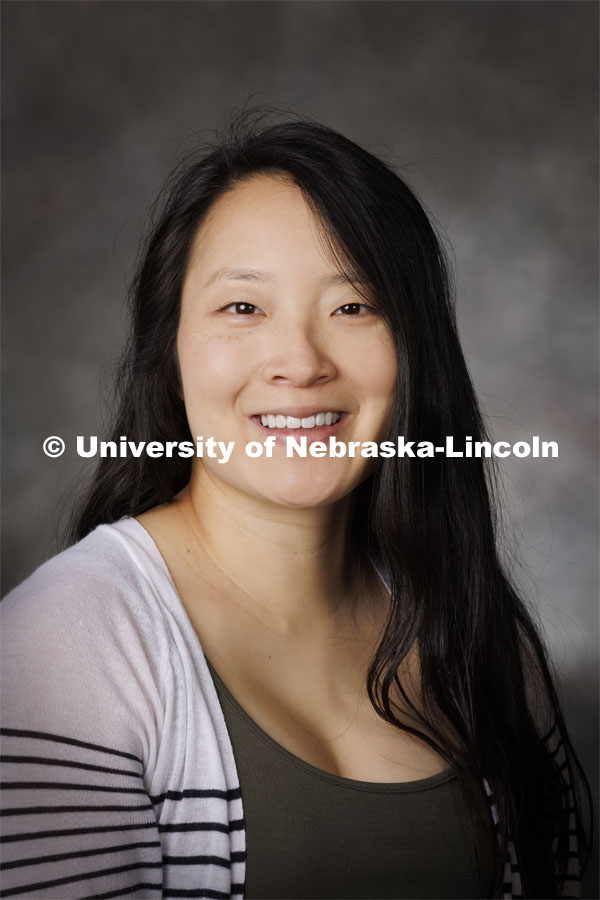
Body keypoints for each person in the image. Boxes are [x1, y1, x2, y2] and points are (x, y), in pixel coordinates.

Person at [1, 112, 591, 900]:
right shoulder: (56, 651)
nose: (301, 364)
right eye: (243, 308)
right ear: (168, 349)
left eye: (353, 307)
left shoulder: (479, 632)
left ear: (416, 348)